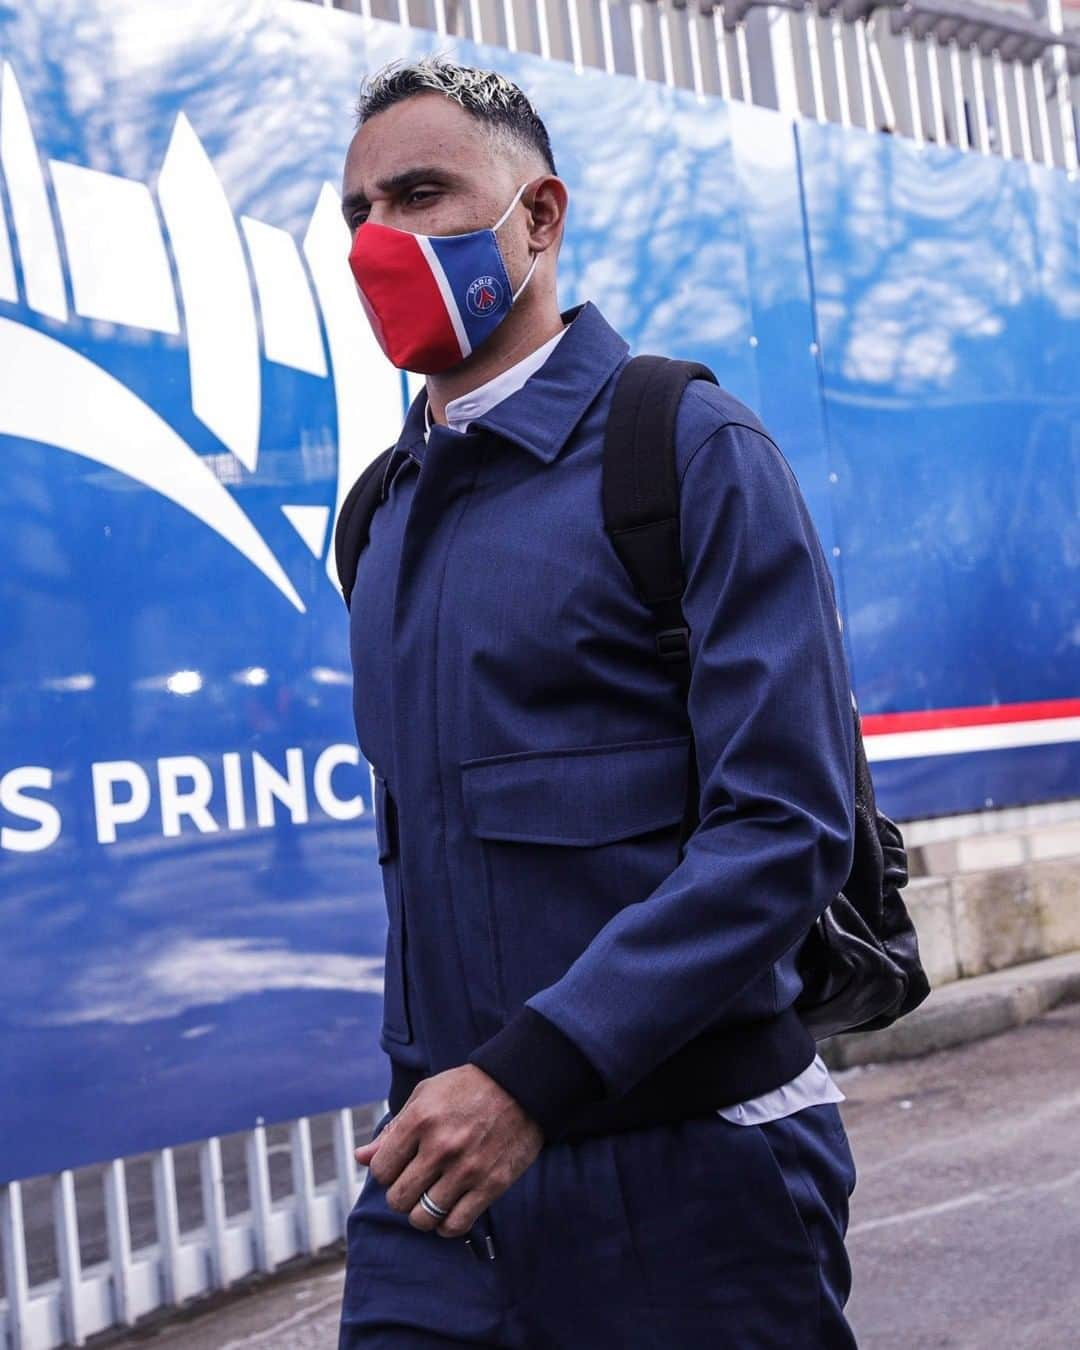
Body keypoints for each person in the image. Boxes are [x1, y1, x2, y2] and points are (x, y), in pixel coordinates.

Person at [337, 54, 859, 1348]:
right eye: (356, 214)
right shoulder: (380, 516)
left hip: (691, 1182)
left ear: (540, 217)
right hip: (441, 1199)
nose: (379, 242)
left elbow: (786, 824)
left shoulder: (684, 453)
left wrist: (536, 1076)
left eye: (419, 194)